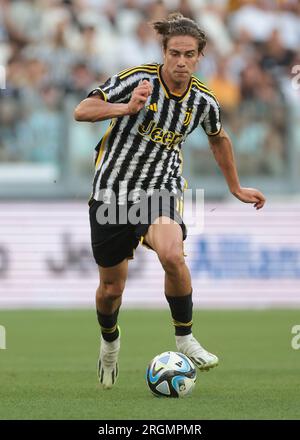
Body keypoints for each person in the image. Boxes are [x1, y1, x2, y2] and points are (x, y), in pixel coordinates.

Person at [74, 13, 266, 389]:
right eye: (174, 53)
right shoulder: (136, 80)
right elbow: (83, 110)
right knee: (111, 290)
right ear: (163, 52)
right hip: (111, 193)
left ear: (199, 57)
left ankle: (185, 338)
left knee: (173, 255)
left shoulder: (203, 101)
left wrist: (236, 188)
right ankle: (109, 342)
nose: (181, 61)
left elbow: (218, 139)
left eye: (189, 55)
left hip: (160, 191)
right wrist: (126, 108)